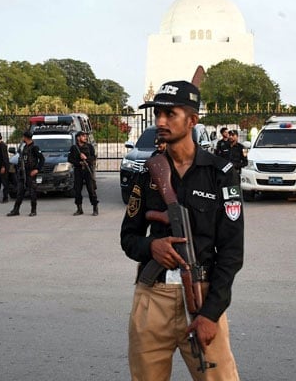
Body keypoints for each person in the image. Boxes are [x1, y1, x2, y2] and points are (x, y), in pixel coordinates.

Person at [121, 80, 243, 380]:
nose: (160, 121)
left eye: (169, 114)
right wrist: (151, 247)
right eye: (157, 114)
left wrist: (211, 313)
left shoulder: (220, 174)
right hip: (153, 298)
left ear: (192, 120)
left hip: (201, 297)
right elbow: (128, 237)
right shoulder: (146, 175)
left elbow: (232, 252)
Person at [7, 131, 45, 217]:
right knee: (20, 192)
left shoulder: (35, 148)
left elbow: (42, 159)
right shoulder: (24, 147)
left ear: (26, 137)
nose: (22, 138)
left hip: (30, 173)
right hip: (23, 173)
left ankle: (33, 210)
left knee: (32, 192)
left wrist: (37, 170)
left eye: (23, 137)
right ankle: (16, 210)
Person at [67, 131, 99, 216]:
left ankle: (95, 208)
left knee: (91, 189)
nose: (85, 137)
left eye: (86, 136)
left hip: (88, 171)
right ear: (78, 138)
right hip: (78, 171)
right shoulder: (74, 148)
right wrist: (79, 163)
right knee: (77, 190)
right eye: (83, 136)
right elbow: (70, 159)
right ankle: (79, 209)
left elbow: (93, 158)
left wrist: (86, 159)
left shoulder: (89, 147)